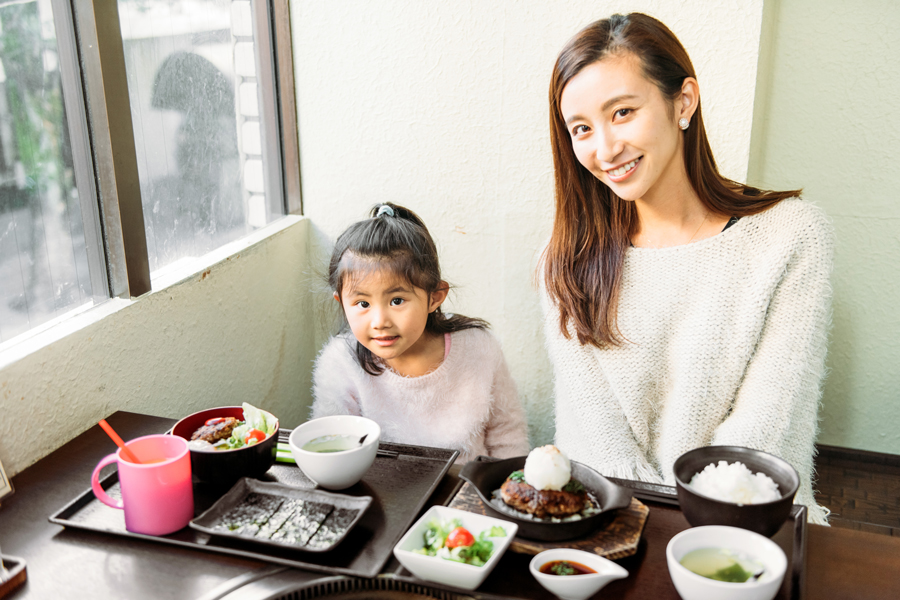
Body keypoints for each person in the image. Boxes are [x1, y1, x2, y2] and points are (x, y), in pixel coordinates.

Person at [541, 13, 832, 523]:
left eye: (623, 112)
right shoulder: (567, 261)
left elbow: (767, 428)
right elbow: (595, 437)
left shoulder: (790, 236)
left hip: (744, 522)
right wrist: (646, 531)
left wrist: (688, 528)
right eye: (581, 128)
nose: (605, 149)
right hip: (609, 524)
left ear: (683, 102)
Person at [311, 202, 529, 463]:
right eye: (363, 304)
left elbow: (508, 436)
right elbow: (333, 451)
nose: (379, 321)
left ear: (434, 297)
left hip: (467, 494)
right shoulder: (340, 362)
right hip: (384, 497)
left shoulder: (479, 347)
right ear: (342, 303)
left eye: (397, 301)